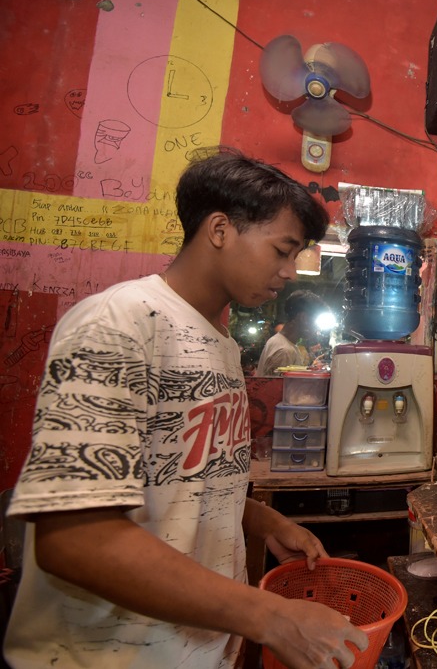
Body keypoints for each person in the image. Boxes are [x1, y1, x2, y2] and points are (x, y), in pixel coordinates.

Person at [3, 150, 369, 669]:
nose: (290, 273)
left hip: (193, 650)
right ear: (220, 229)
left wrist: (261, 518)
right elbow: (75, 539)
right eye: (282, 251)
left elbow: (180, 474)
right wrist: (270, 616)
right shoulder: (119, 325)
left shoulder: (218, 340)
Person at [256, 289, 328, 375]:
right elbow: (277, 388)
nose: (317, 329)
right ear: (304, 318)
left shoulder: (281, 342)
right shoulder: (285, 351)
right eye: (316, 322)